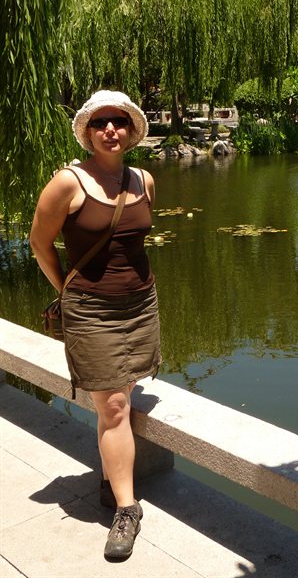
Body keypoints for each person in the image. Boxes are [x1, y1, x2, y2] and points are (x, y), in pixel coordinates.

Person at [29, 90, 161, 561]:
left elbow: (134, 242)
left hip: (140, 304)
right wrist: (65, 287)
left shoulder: (144, 179)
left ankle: (112, 477)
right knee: (115, 404)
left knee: (119, 396)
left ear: (131, 131)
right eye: (101, 122)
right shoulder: (69, 182)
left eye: (119, 122)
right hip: (91, 309)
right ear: (87, 131)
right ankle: (127, 508)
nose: (111, 129)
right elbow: (39, 241)